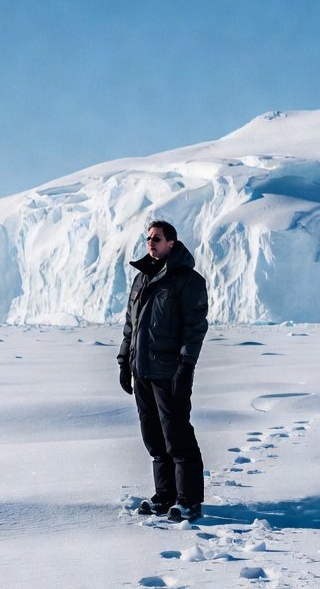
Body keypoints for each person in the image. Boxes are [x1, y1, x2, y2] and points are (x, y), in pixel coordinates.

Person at [118, 220, 209, 522]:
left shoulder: (187, 280)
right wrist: (123, 361)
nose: (151, 244)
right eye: (148, 239)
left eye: (157, 239)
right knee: (154, 439)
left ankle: (189, 501)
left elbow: (194, 328)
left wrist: (186, 367)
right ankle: (165, 495)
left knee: (177, 436)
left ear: (171, 243)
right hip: (142, 370)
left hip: (170, 372)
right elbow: (130, 326)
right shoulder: (142, 279)